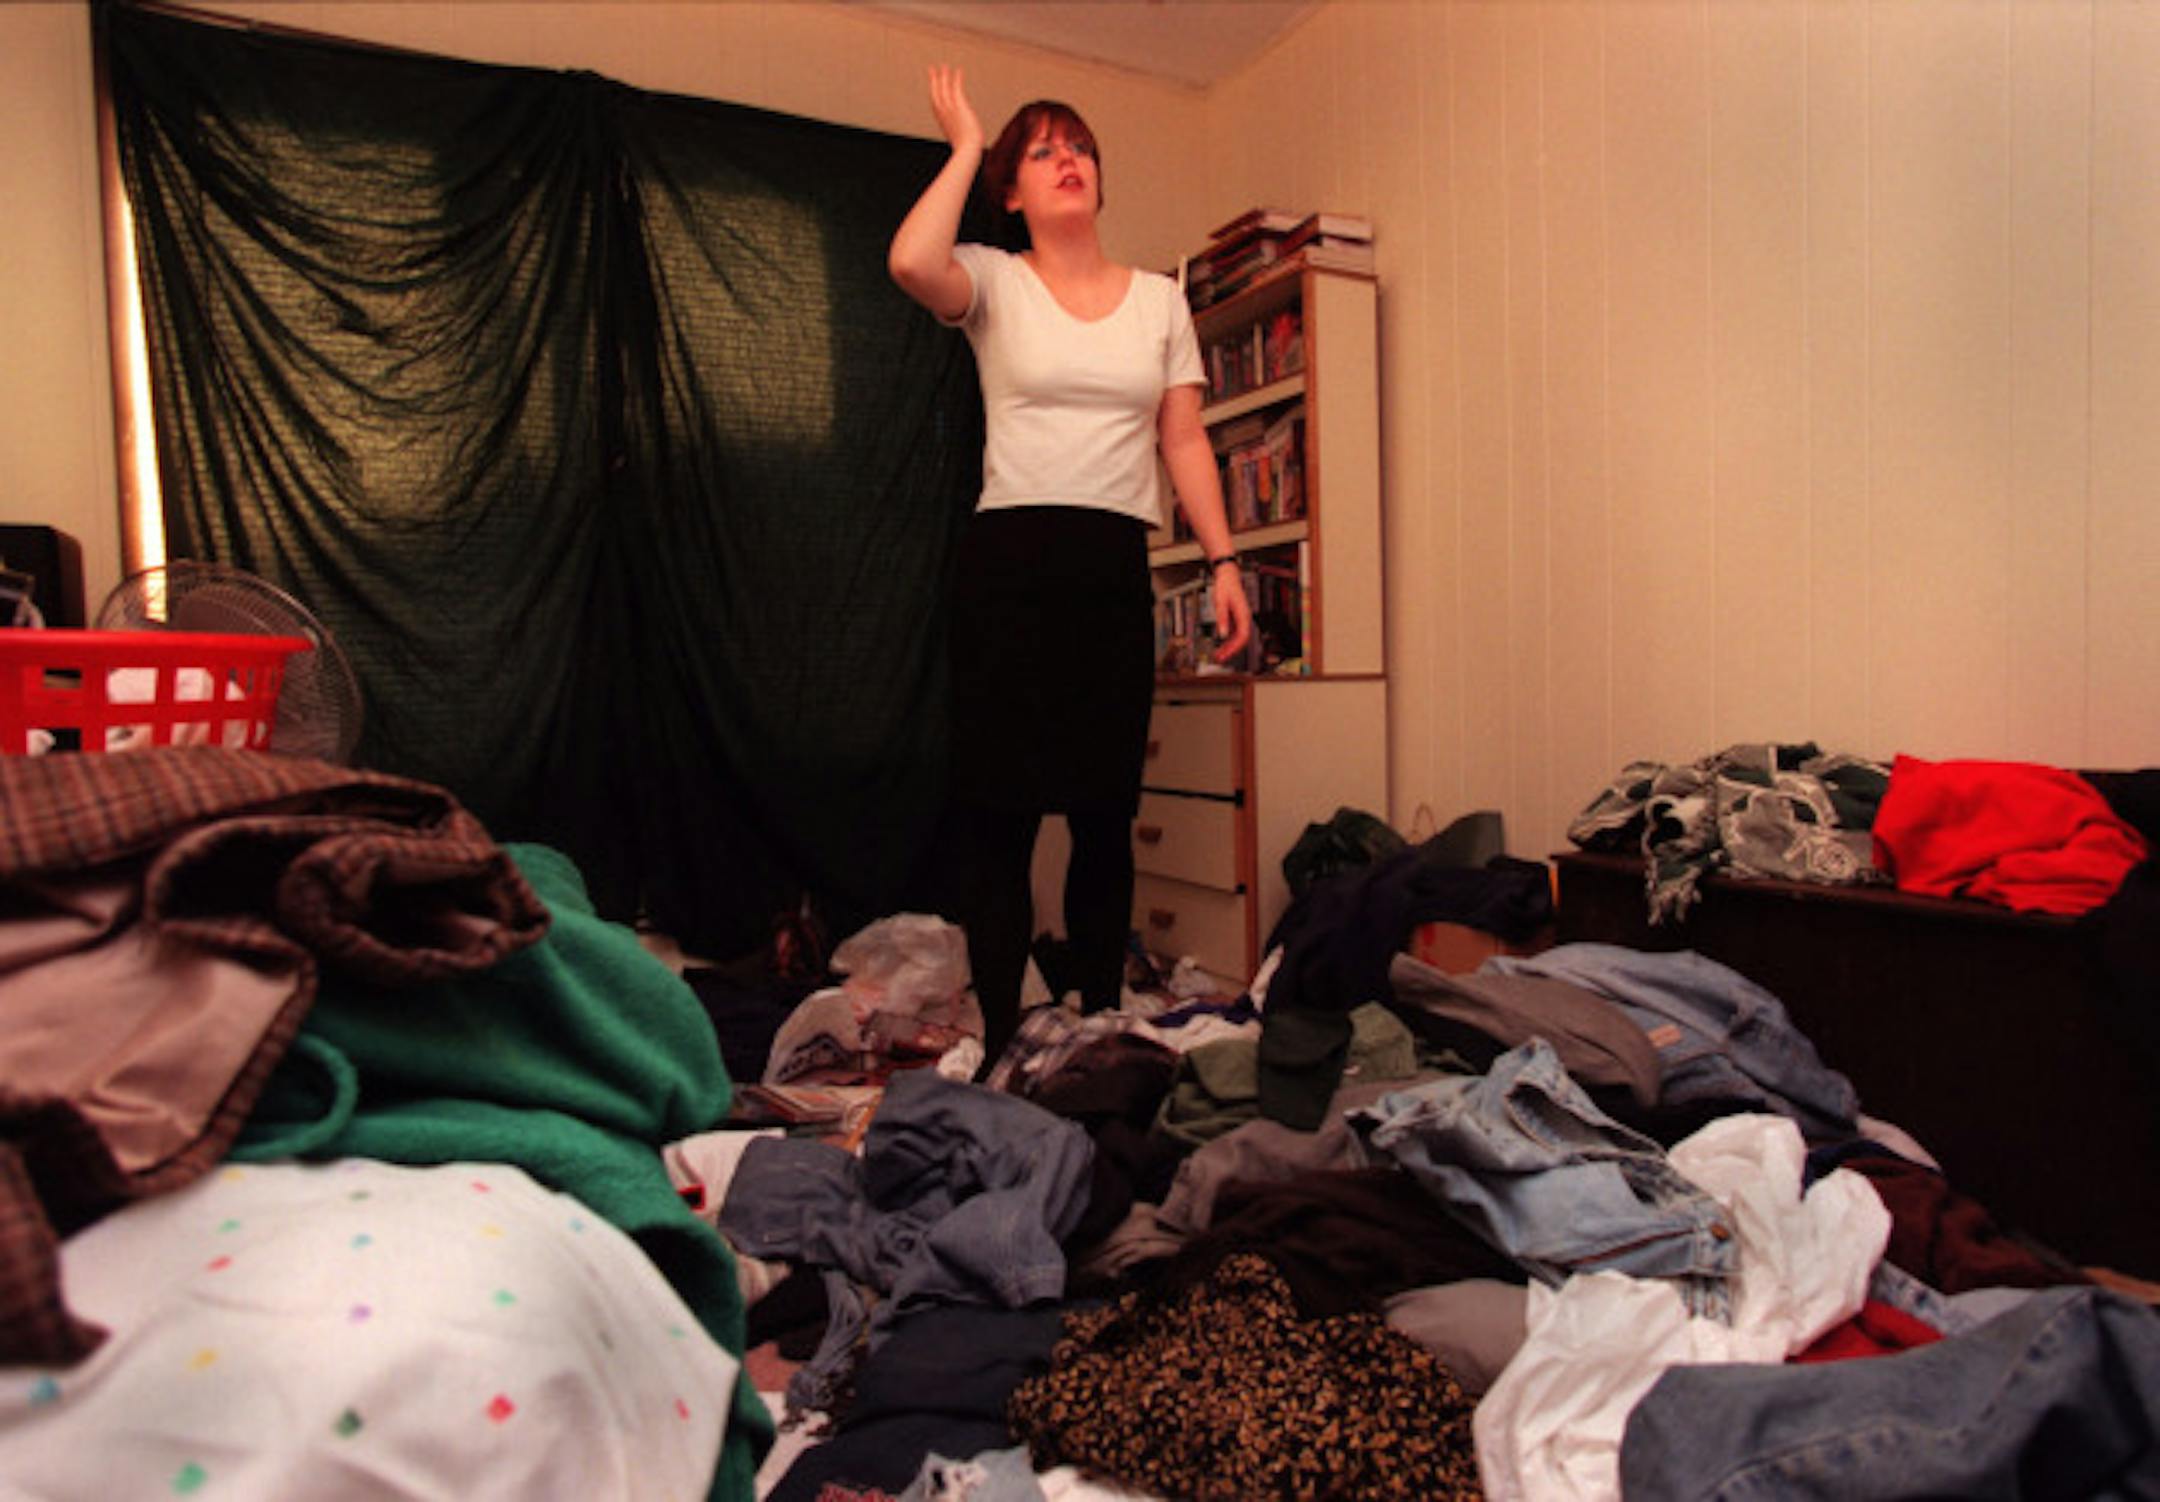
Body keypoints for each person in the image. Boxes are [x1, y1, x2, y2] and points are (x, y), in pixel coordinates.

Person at [889, 65, 1252, 1068]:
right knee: (1003, 821)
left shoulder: (1161, 300)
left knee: (1103, 814)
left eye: (1080, 145)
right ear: (1012, 190)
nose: (1069, 160)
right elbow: (910, 259)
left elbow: (1183, 441)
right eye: (1042, 150)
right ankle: (1005, 1037)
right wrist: (966, 145)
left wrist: (1223, 560)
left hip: (1107, 573)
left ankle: (1097, 1023)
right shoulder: (993, 280)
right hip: (1007, 569)